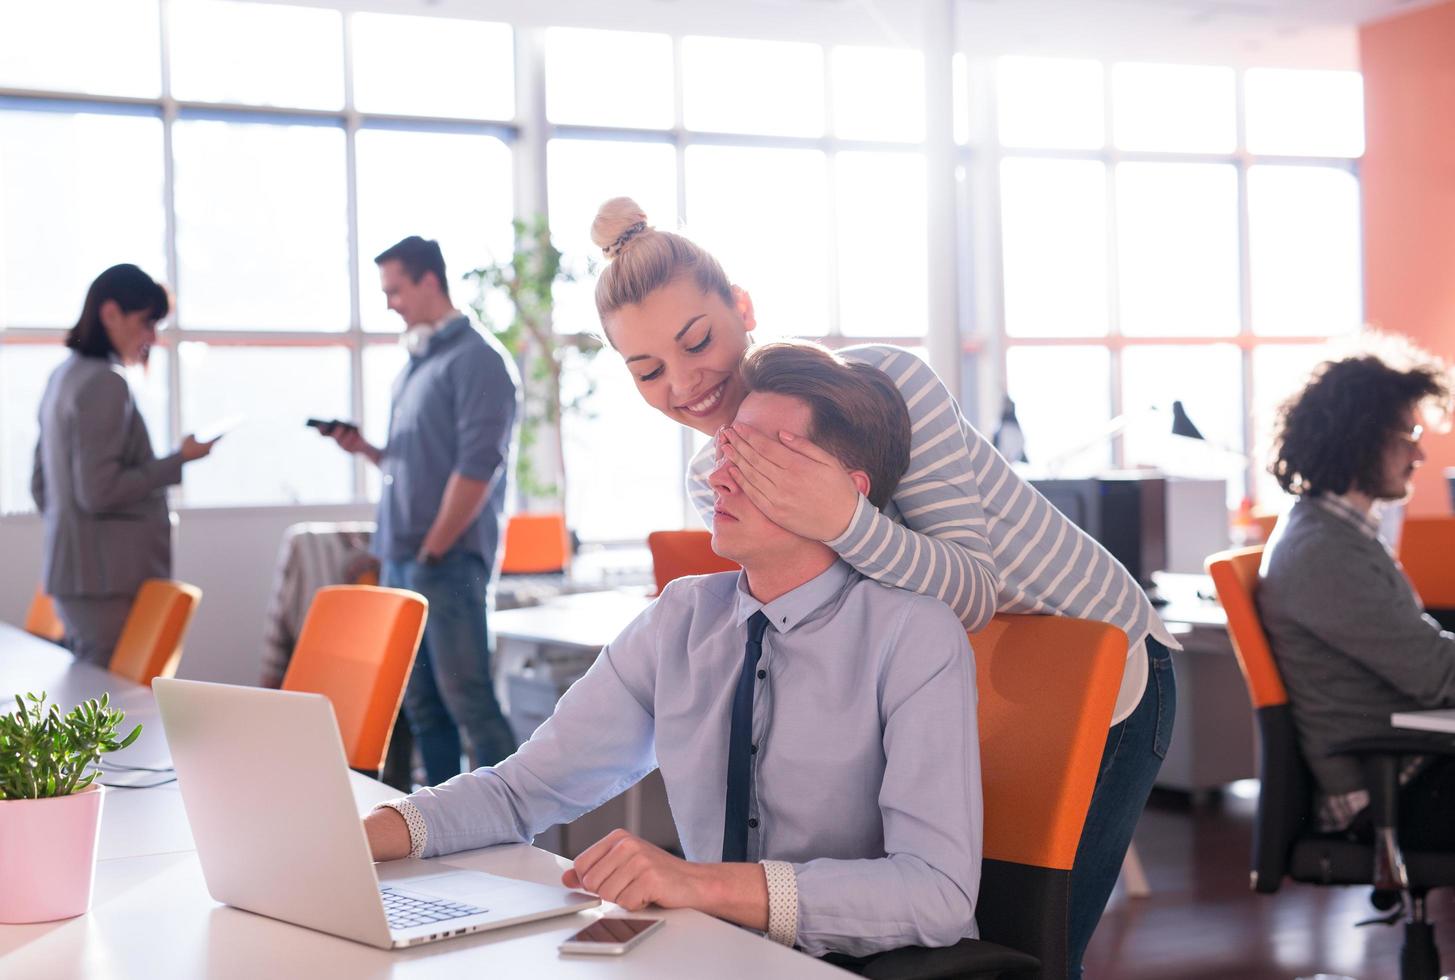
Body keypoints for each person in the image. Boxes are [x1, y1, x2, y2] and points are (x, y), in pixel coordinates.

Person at [587, 197, 1177, 974]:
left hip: (1096, 659)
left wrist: (840, 517)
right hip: (960, 687)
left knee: (1026, 952)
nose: (685, 382)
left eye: (696, 340)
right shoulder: (713, 478)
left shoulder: (881, 384)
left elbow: (969, 591)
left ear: (742, 307)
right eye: (648, 370)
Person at [363, 342, 982, 959]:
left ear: (847, 492)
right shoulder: (681, 618)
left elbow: (937, 894)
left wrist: (700, 883)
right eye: (728, 450)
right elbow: (519, 792)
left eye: (762, 459)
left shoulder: (914, 635)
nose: (718, 478)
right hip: (708, 957)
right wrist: (357, 838)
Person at [323, 236, 519, 786]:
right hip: (403, 560)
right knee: (423, 707)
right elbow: (418, 460)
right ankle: (442, 830)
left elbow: (479, 467)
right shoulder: (416, 365)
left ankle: (511, 829)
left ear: (430, 281)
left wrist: (434, 549)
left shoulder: (478, 361)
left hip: (445, 561)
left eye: (395, 290)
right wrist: (365, 450)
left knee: (470, 705)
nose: (390, 303)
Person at [1259, 340, 1455, 846]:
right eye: (1409, 434)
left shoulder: (1338, 533)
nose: (1420, 452)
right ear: (1363, 439)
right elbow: (1437, 675)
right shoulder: (1324, 552)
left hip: (1412, 761)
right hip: (1391, 787)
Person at [31, 264, 216, 665]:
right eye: (147, 322)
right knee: (112, 708)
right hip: (105, 581)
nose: (152, 337)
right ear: (110, 313)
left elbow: (41, 486)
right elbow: (99, 491)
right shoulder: (105, 381)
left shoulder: (61, 376)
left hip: (80, 576)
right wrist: (178, 460)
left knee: (96, 699)